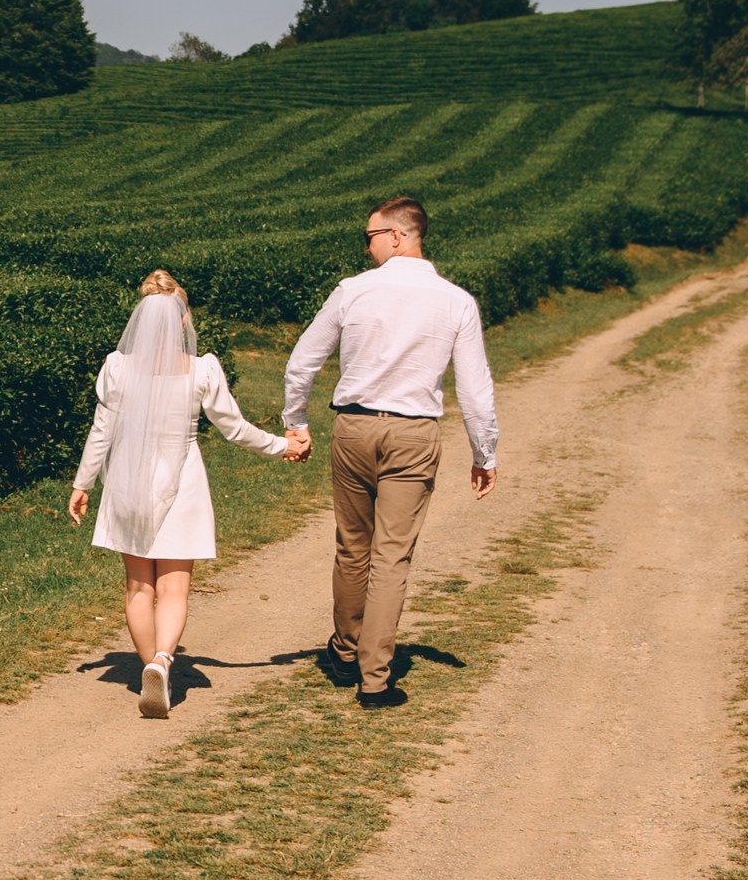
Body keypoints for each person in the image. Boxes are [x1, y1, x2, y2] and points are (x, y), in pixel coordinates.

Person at [282, 196, 498, 711]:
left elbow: (302, 362)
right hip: (413, 435)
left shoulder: (353, 291)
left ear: (399, 235)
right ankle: (374, 680)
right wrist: (483, 452)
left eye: (371, 236)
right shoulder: (455, 301)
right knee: (391, 556)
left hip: (354, 429)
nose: (367, 246)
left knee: (352, 546)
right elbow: (475, 388)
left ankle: (343, 648)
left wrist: (296, 422)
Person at [69, 270, 312, 719]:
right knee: (175, 586)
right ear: (183, 321)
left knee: (138, 586)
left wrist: (82, 483)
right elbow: (234, 429)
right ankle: (163, 660)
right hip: (182, 477)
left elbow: (101, 432)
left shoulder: (117, 367)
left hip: (128, 477)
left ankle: (148, 667)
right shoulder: (202, 368)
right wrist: (283, 446)